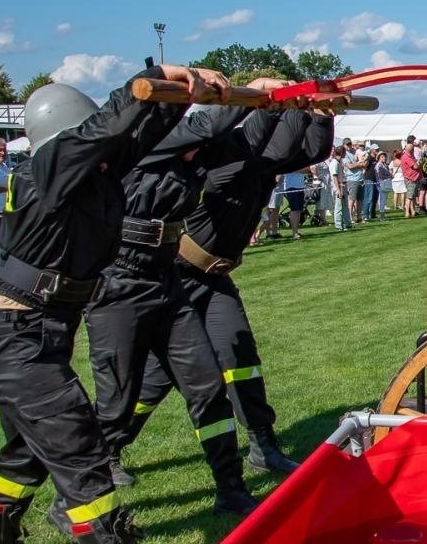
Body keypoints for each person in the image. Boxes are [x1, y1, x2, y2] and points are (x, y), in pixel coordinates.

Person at [0, 66, 224, 544]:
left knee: (30, 451)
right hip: (12, 341)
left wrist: (181, 99)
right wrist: (145, 81)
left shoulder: (90, 176)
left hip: (33, 334)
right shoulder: (47, 171)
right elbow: (105, 130)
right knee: (79, 449)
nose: (106, 148)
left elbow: (138, 138)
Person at [86, 85, 292, 520]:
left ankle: (232, 488)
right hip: (122, 279)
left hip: (165, 276)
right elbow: (204, 125)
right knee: (121, 394)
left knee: (206, 385)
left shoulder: (184, 153)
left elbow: (245, 142)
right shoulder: (139, 147)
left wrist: (281, 106)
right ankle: (87, 474)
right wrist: (253, 96)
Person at [128, 108, 334, 477]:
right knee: (154, 380)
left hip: (214, 279)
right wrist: (290, 108)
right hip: (177, 280)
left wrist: (318, 116)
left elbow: (312, 153)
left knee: (241, 358)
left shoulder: (256, 166)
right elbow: (273, 152)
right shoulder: (218, 170)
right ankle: (108, 451)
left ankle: (263, 446)